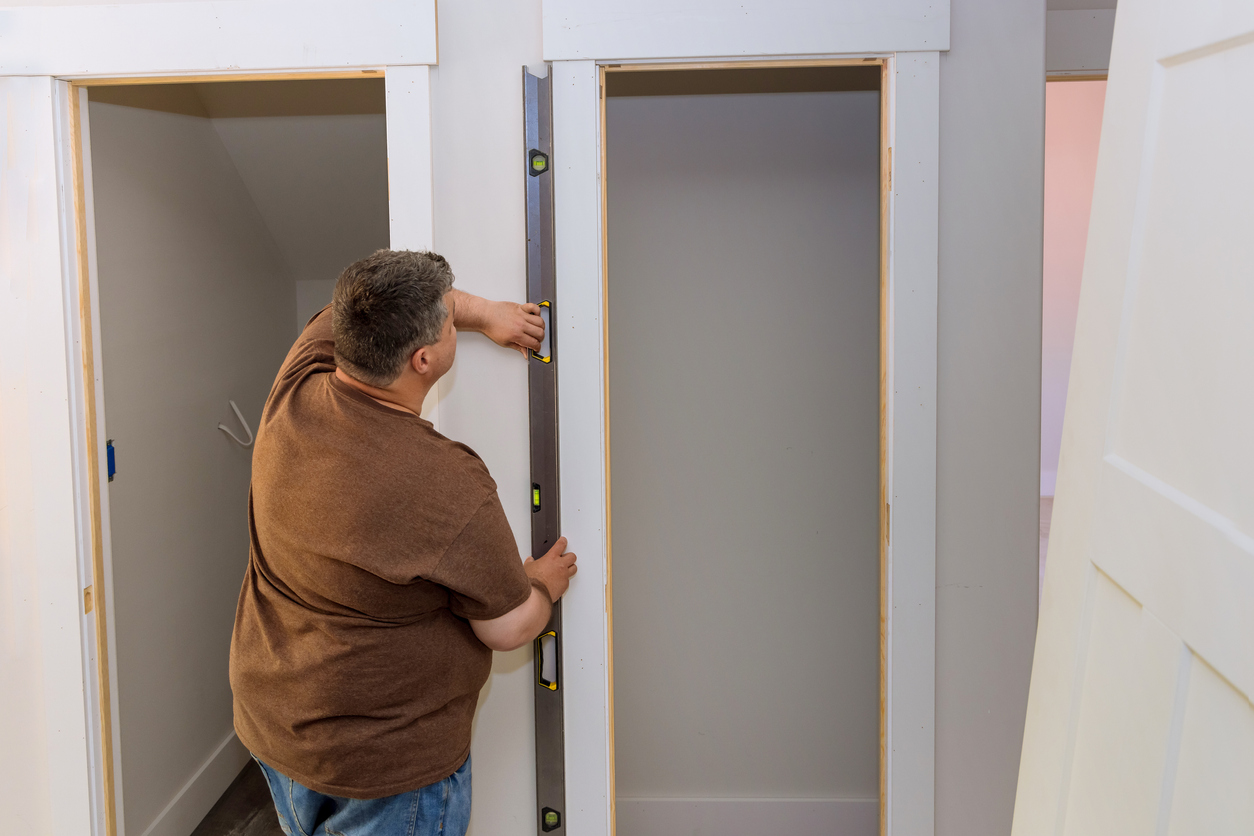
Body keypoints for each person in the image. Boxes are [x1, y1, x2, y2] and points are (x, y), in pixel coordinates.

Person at [229, 249, 577, 836]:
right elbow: (509, 626)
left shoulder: (297, 384)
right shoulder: (445, 481)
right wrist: (541, 580)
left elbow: (397, 297)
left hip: (277, 724)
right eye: (448, 321)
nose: (452, 319)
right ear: (425, 359)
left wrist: (487, 313)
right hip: (386, 769)